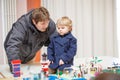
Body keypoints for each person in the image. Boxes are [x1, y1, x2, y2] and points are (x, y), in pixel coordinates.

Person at [4, 7, 56, 72]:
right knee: (16, 74)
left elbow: (55, 44)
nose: (45, 26)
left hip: (30, 56)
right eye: (42, 23)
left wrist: (55, 63)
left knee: (30, 73)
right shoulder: (21, 25)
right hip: (14, 55)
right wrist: (16, 69)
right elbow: (12, 46)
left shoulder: (50, 25)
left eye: (47, 22)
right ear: (34, 21)